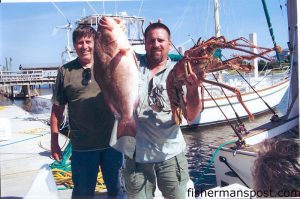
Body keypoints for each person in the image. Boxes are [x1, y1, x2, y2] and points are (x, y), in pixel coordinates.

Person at [122, 22, 202, 199]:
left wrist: (194, 89)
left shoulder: (181, 71)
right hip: (136, 156)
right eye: (151, 40)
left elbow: (191, 115)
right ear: (145, 43)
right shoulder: (133, 65)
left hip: (170, 154)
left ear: (169, 42)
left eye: (160, 40)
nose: (156, 44)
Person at [50, 24, 123, 199]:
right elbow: (57, 110)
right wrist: (54, 141)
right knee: (83, 193)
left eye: (88, 41)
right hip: (82, 148)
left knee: (117, 190)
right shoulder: (65, 71)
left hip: (112, 144)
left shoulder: (109, 64)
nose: (84, 46)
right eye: (80, 42)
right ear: (74, 45)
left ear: (96, 42)